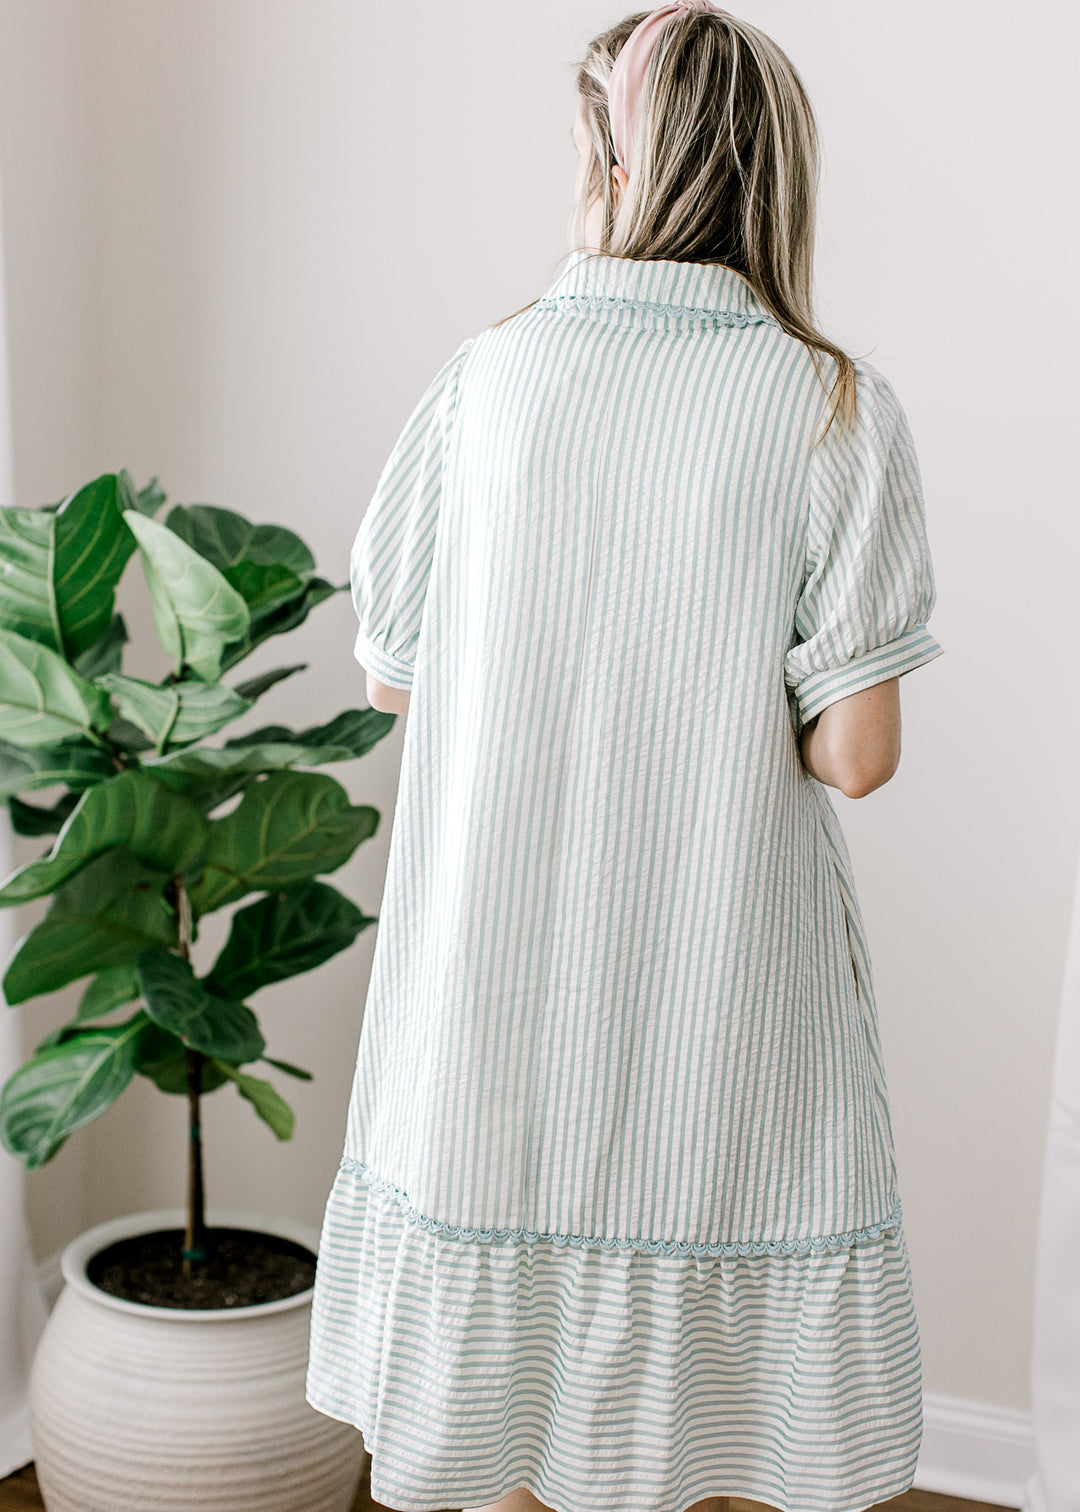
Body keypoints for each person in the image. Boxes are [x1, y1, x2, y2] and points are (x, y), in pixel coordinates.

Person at [304, 6, 945, 1512]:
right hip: (719, 1004)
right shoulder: (832, 403)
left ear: (612, 158)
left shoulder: (489, 381)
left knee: (502, 1432)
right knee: (723, 1443)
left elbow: (395, 677)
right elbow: (855, 756)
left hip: (496, 1008)